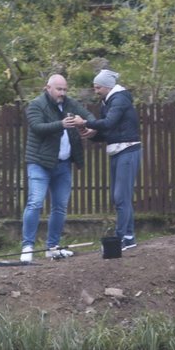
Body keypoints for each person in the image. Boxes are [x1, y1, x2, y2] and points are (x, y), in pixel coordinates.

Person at [20, 73, 96, 262]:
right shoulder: (36, 105)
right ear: (48, 88)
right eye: (59, 89)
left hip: (63, 164)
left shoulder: (70, 104)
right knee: (35, 203)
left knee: (60, 207)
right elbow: (37, 127)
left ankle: (52, 247)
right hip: (40, 163)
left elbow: (89, 116)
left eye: (64, 89)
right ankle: (27, 246)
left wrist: (87, 125)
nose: (62, 93)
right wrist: (61, 124)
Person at [73, 69, 141, 251]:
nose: (95, 91)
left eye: (97, 87)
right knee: (121, 197)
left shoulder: (119, 100)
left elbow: (109, 123)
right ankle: (129, 237)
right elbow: (107, 131)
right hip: (117, 151)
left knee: (121, 197)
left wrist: (84, 123)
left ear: (107, 86)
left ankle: (119, 239)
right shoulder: (107, 101)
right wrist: (90, 135)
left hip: (128, 150)